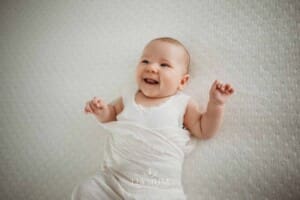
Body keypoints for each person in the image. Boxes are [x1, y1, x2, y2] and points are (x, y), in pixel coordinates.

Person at [72, 37, 234, 200]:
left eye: (164, 65)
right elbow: (111, 115)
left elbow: (204, 130)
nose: (151, 68)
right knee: (87, 190)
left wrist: (216, 104)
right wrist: (101, 111)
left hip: (157, 187)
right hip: (114, 180)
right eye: (145, 61)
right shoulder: (128, 97)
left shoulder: (181, 103)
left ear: (182, 81)